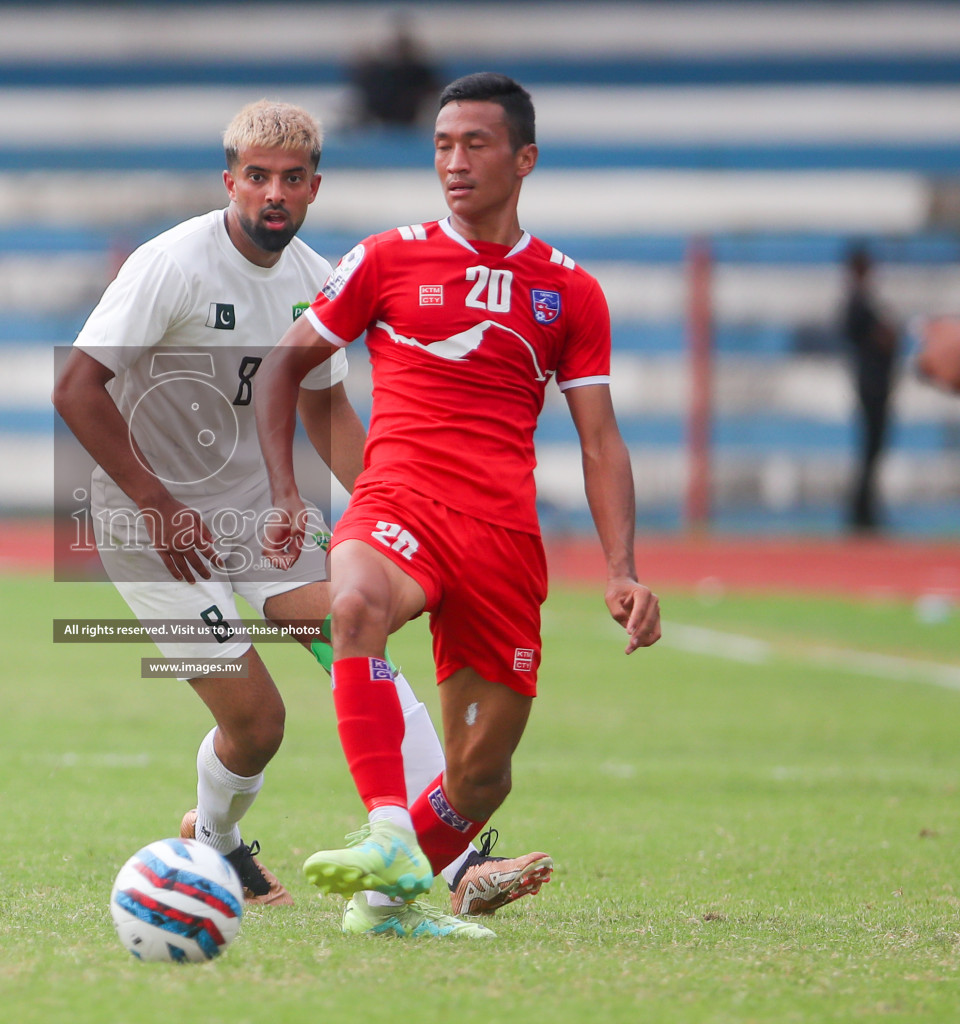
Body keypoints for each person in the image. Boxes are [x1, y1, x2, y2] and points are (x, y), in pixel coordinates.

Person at [53, 101, 489, 939]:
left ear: (315, 186)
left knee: (357, 623)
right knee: (259, 725)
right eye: (257, 177)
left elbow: (327, 413)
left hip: (261, 515)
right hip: (153, 526)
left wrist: (386, 506)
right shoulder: (172, 265)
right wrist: (155, 504)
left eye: (292, 179)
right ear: (231, 181)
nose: (273, 193)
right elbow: (74, 389)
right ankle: (214, 841)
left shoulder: (316, 283)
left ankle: (459, 860)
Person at [256, 73, 663, 923]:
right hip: (398, 500)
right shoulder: (386, 258)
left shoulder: (570, 291)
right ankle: (385, 828)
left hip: (503, 537)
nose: (454, 161)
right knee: (356, 601)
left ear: (525, 160)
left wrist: (623, 567)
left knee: (483, 773)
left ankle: (386, 898)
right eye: (442, 145)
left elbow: (600, 439)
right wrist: (285, 494)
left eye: (475, 144)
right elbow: (285, 367)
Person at [842, 246, 899, 533]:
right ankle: (861, 514)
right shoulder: (858, 302)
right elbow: (875, 337)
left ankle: (864, 512)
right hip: (872, 385)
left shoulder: (864, 301)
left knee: (872, 452)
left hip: (876, 383)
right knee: (870, 451)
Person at [348, 15, 443, 129]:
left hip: (410, 124)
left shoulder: (420, 72)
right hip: (382, 123)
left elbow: (435, 91)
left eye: (403, 47)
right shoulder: (378, 73)